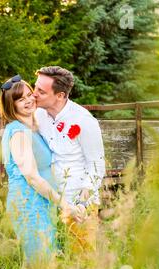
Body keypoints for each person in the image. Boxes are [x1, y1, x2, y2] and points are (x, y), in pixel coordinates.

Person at [0, 74, 84, 266]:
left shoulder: (32, 128)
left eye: (30, 94)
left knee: (43, 263)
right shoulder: (18, 132)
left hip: (41, 203)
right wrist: (65, 204)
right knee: (41, 265)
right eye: (21, 99)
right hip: (29, 204)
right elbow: (32, 177)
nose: (29, 100)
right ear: (11, 105)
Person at [33, 66, 106, 253]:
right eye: (35, 87)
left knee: (81, 263)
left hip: (78, 204)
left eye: (41, 91)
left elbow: (96, 166)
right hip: (50, 202)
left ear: (60, 95)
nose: (34, 94)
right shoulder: (38, 114)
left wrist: (81, 204)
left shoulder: (83, 120)